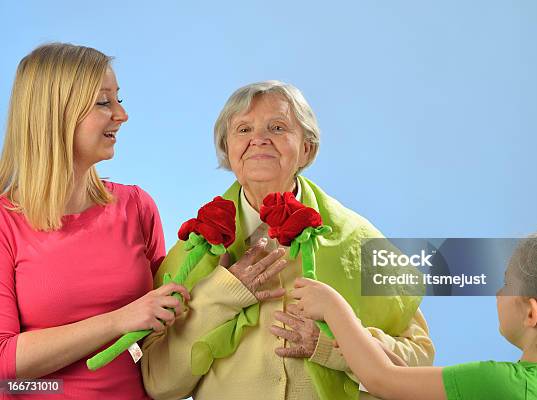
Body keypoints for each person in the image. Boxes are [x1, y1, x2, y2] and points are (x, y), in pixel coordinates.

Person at [141, 80, 434, 400]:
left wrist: (334, 344)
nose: (259, 139)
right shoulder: (195, 248)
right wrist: (221, 293)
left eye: (277, 127)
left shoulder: (359, 239)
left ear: (307, 147)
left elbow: (416, 367)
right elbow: (159, 384)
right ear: (227, 149)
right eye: (243, 130)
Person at [0, 43, 189, 399]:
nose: (122, 114)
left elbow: (164, 325)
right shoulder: (5, 223)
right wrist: (120, 320)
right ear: (56, 114)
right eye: (104, 102)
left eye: (119, 99)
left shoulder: (137, 206)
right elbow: (4, 361)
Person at [292, 231, 537, 400]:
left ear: (531, 313)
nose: (498, 294)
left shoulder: (504, 383)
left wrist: (334, 306)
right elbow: (405, 385)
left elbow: (383, 380)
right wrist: (360, 348)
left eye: (506, 284)